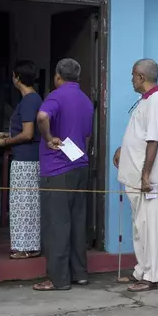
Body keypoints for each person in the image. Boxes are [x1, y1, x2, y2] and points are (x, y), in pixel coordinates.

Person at [32, 58, 94, 292]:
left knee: (57, 223)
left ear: (58, 76)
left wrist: (48, 138)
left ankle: (58, 279)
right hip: (80, 166)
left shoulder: (55, 96)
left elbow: (41, 117)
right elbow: (87, 135)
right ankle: (80, 273)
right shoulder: (86, 100)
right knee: (77, 221)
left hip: (57, 169)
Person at [114, 58, 158, 292]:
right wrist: (122, 149)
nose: (131, 79)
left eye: (132, 75)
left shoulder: (157, 101)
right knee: (139, 226)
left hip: (146, 179)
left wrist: (146, 175)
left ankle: (153, 276)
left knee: (150, 227)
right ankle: (141, 270)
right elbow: (138, 133)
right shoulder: (145, 100)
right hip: (135, 174)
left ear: (141, 77)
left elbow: (153, 140)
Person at [0, 60, 43, 260]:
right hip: (28, 158)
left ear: (17, 78)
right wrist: (8, 133)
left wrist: (6, 142)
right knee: (27, 203)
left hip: (26, 160)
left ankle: (27, 247)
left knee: (24, 204)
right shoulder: (32, 99)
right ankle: (30, 246)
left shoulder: (30, 100)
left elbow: (28, 133)